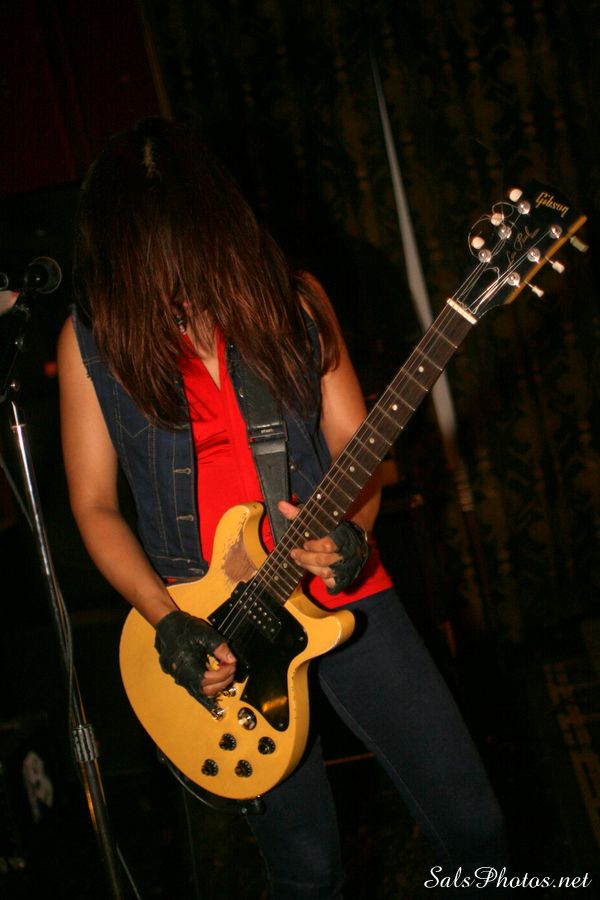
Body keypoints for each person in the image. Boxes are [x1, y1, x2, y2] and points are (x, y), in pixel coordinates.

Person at [57, 116, 507, 898]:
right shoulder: (90, 342)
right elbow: (94, 505)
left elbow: (362, 448)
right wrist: (166, 622)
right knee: (305, 872)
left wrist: (353, 533)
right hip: (213, 627)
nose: (171, 279)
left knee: (474, 827)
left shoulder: (293, 302)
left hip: (342, 593)